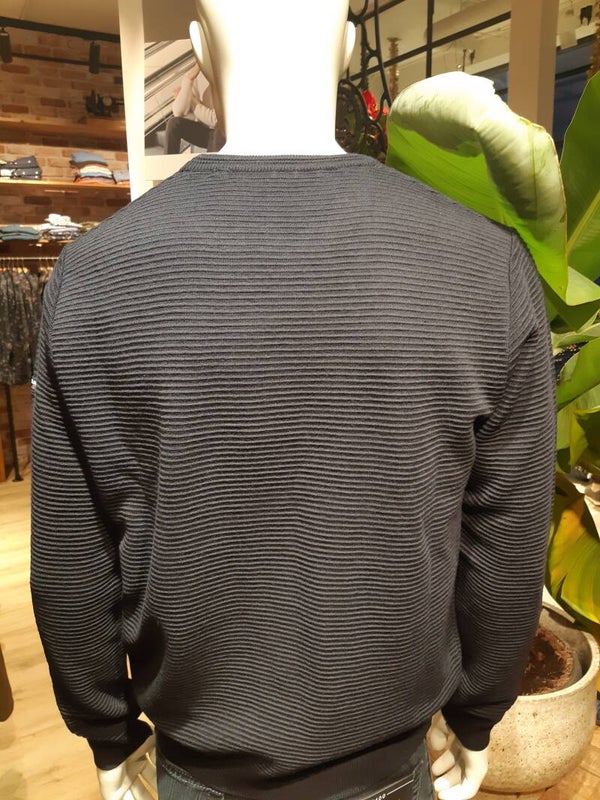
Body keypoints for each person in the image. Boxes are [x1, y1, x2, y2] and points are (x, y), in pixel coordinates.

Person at [30, 2, 556, 800]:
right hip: (391, 762)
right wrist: (478, 712)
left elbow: (73, 558)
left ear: (198, 51)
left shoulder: (95, 281)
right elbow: (506, 543)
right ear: (348, 47)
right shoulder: (484, 269)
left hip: (198, 764)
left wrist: (106, 734)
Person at [164, 63, 223, 154]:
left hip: (223, 134)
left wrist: (191, 99)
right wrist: (189, 79)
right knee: (174, 123)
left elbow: (215, 120)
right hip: (204, 132)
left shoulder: (226, 77)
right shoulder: (198, 76)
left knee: (219, 129)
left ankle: (212, 162)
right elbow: (178, 112)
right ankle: (168, 161)